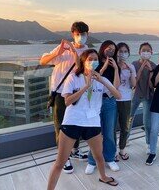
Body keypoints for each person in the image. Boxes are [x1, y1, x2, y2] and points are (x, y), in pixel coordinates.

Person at [47, 49, 121, 189]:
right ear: (83, 61)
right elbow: (67, 101)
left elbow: (118, 96)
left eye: (95, 59)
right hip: (72, 122)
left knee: (99, 156)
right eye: (90, 59)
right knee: (60, 162)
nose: (93, 62)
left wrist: (103, 82)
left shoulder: (101, 79)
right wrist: (85, 87)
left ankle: (103, 177)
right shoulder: (74, 77)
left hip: (92, 123)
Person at [40, 21, 89, 174]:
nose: (81, 37)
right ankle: (64, 157)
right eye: (78, 34)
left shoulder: (87, 51)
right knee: (60, 126)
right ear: (72, 35)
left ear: (88, 34)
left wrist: (75, 53)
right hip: (61, 92)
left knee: (76, 123)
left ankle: (74, 150)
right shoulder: (62, 49)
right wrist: (58, 52)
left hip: (77, 92)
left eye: (83, 34)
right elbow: (42, 61)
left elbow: (83, 70)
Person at [85, 40, 121, 174]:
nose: (110, 51)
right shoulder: (95, 62)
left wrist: (116, 68)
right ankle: (92, 160)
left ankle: (110, 158)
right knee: (95, 133)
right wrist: (104, 66)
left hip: (109, 101)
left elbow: (116, 87)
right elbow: (92, 78)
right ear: (103, 48)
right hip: (95, 101)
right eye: (108, 48)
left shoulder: (115, 64)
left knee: (109, 133)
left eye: (113, 49)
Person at [128, 42, 156, 154]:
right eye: (143, 50)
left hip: (148, 95)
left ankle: (149, 143)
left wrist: (150, 70)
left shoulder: (154, 65)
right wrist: (141, 68)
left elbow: (152, 85)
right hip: (135, 94)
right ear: (139, 52)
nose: (146, 52)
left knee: (147, 121)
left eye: (148, 51)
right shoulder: (134, 64)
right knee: (129, 117)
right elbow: (134, 82)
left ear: (151, 52)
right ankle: (125, 138)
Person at [115, 42, 136, 160]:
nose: (123, 54)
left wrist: (131, 72)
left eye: (125, 51)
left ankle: (122, 150)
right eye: (120, 51)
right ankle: (112, 152)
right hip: (114, 100)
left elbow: (133, 84)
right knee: (112, 128)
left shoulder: (131, 67)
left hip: (126, 100)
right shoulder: (113, 66)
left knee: (125, 127)